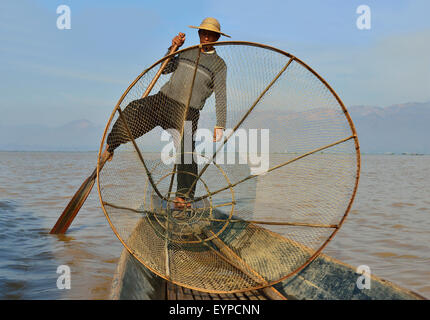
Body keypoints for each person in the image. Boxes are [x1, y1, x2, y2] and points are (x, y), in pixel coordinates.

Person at [102, 17, 230, 209]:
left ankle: (182, 198)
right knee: (134, 109)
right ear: (199, 34)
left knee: (186, 152)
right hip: (163, 100)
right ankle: (111, 146)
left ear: (217, 38)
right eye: (203, 33)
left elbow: (220, 94)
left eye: (211, 34)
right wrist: (173, 49)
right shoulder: (187, 52)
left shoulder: (219, 65)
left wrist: (220, 125)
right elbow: (166, 68)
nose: (206, 37)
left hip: (188, 111)